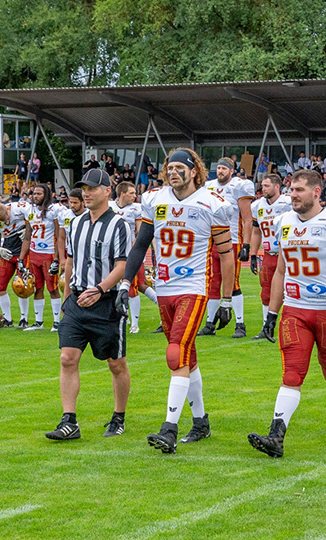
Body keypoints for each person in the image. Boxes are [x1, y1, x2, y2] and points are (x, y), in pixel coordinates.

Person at [117, 148, 235, 453]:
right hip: (165, 288)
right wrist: (126, 281)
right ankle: (200, 422)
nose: (173, 172)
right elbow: (142, 243)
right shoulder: (155, 199)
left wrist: (226, 300)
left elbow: (226, 253)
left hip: (194, 287)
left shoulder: (213, 203)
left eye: (180, 167)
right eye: (170, 167)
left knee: (175, 352)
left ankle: (169, 428)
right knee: (186, 357)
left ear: (194, 171)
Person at [245, 168, 326, 458]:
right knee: (291, 373)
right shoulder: (283, 220)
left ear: (316, 192)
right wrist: (271, 314)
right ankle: (276, 435)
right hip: (295, 310)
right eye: (291, 189)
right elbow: (281, 271)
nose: (293, 195)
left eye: (299, 190)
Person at [45, 169, 133, 441]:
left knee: (115, 363)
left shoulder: (120, 224)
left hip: (106, 301)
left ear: (108, 190)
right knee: (67, 358)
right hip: (77, 300)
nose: (86, 192)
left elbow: (123, 266)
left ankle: (118, 417)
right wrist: (67, 296)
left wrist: (100, 289)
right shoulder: (76, 223)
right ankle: (69, 421)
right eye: (84, 188)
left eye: (93, 188)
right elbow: (70, 260)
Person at [199, 157, 255, 338]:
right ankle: (209, 323)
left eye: (224, 168)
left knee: (234, 282)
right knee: (213, 282)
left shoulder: (240, 186)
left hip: (232, 239)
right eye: (219, 168)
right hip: (211, 240)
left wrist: (246, 244)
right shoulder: (208, 186)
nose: (221, 171)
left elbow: (247, 218)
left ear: (232, 171)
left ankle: (240, 323)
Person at [109, 181, 158, 333]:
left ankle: (134, 324)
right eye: (131, 193)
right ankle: (124, 317)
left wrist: (134, 252)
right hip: (113, 254)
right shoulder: (110, 206)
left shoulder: (136, 209)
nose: (135, 196)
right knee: (118, 287)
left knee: (133, 287)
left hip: (130, 254)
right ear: (122, 193)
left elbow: (140, 232)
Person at [248, 174, 292, 339]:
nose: (263, 189)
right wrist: (253, 254)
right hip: (268, 254)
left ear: (277, 186)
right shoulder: (257, 206)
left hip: (287, 254)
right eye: (262, 185)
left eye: (266, 186)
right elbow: (256, 230)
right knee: (266, 292)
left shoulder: (288, 202)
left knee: (291, 290)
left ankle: (288, 326)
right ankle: (266, 327)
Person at [23, 184, 65, 332]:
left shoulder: (54, 211)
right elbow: (27, 236)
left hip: (48, 253)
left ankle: (56, 322)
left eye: (39, 193)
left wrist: (57, 259)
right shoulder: (30, 210)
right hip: (34, 253)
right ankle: (38, 322)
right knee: (37, 287)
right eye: (34, 193)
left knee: (52, 288)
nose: (36, 196)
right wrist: (22, 259)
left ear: (47, 195)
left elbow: (59, 236)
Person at [0, 199, 31, 328]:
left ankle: (24, 318)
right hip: (7, 252)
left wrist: (29, 231)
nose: (6, 222)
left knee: (22, 286)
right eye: (1, 221)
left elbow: (36, 223)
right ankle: (7, 318)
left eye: (6, 218)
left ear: (8, 211)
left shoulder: (21, 208)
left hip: (23, 251)